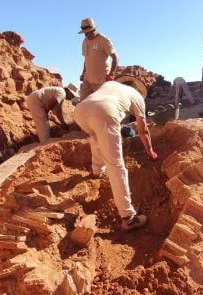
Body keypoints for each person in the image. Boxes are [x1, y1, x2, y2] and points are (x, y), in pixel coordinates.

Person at [74, 77, 157, 231]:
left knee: (96, 138)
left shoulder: (110, 85)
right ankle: (129, 218)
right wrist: (149, 149)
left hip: (80, 111)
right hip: (105, 111)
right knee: (116, 165)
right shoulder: (137, 96)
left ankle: (97, 171)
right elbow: (143, 130)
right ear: (138, 90)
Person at [78, 17, 118, 99]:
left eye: (87, 32)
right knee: (83, 102)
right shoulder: (85, 42)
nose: (85, 34)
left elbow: (115, 58)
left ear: (93, 30)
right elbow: (86, 59)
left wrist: (111, 74)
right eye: (84, 33)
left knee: (103, 104)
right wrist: (83, 72)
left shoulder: (103, 40)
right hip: (88, 79)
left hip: (102, 80)